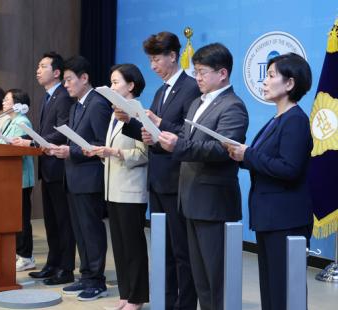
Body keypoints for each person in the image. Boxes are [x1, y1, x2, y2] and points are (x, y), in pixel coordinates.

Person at [158, 43, 249, 310]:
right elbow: (187, 139)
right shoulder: (197, 102)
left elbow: (223, 149)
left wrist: (178, 146)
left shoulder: (233, 106)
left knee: (217, 275)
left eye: (201, 72)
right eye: (195, 71)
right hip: (189, 198)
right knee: (200, 276)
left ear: (222, 73)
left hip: (213, 202)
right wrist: (165, 140)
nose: (196, 78)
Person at [114, 31, 200, 310]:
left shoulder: (190, 88)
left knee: (181, 250)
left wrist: (159, 122)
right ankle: (166, 300)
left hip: (177, 180)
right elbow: (149, 134)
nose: (152, 67)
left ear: (173, 56)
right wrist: (129, 121)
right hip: (158, 179)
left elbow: (189, 135)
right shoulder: (162, 90)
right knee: (163, 249)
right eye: (150, 60)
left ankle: (183, 304)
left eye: (156, 59)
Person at [225, 53, 313, 310]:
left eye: (272, 75)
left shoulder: (295, 120)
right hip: (271, 219)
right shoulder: (277, 119)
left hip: (286, 220)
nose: (265, 81)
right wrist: (239, 155)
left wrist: (248, 154)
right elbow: (264, 160)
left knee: (285, 291)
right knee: (272, 288)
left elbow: (289, 169)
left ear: (290, 84)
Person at [49, 55, 112, 301]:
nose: (65, 85)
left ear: (84, 78)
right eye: (64, 81)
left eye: (69, 80)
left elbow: (101, 144)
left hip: (89, 178)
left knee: (91, 230)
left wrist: (70, 151)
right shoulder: (76, 105)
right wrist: (60, 148)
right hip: (73, 176)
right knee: (80, 231)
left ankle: (97, 280)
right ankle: (85, 276)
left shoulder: (97, 104)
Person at [86, 64, 149, 310]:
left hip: (131, 190)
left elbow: (144, 154)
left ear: (131, 86)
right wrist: (101, 152)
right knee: (120, 247)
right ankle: (125, 295)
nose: (112, 87)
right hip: (113, 188)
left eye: (116, 82)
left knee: (133, 247)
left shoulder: (138, 111)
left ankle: (137, 298)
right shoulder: (115, 113)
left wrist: (114, 152)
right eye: (110, 82)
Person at [13, 52, 75, 286]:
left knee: (63, 221)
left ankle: (66, 268)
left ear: (56, 72)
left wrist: (32, 142)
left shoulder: (63, 96)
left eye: (42, 66)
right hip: (47, 167)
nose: (37, 70)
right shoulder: (48, 97)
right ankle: (52, 263)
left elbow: (61, 130)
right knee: (50, 220)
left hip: (60, 167)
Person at [0, 89, 36, 272]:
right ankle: (18, 252)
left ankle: (26, 256)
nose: (3, 103)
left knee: (22, 219)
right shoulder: (10, 121)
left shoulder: (23, 121)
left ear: (17, 104)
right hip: (10, 177)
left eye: (7, 100)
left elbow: (19, 146)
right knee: (14, 218)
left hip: (21, 177)